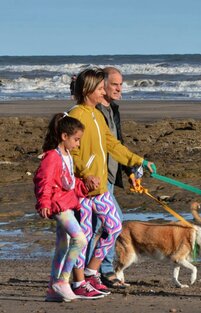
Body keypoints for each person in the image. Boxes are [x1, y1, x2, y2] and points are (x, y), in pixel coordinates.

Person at [68, 67, 157, 298]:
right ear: (88, 90)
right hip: (83, 189)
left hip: (100, 187)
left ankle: (91, 272)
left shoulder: (97, 115)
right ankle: (78, 283)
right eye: (99, 88)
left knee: (114, 225)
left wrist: (138, 161)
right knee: (83, 236)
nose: (103, 92)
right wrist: (85, 173)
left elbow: (112, 145)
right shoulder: (76, 115)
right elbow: (72, 151)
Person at [33, 113, 89, 302]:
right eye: (76, 140)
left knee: (62, 248)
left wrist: (85, 187)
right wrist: (44, 202)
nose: (78, 144)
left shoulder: (67, 156)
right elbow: (44, 180)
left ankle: (52, 290)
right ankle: (63, 281)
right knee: (80, 239)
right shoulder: (52, 157)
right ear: (64, 136)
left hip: (67, 203)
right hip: (59, 206)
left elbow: (69, 183)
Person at [88, 67, 131, 288]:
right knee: (108, 223)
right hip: (97, 176)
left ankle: (95, 271)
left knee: (103, 225)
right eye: (115, 84)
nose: (119, 88)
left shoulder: (113, 108)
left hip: (111, 175)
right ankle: (96, 271)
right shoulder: (93, 112)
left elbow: (117, 143)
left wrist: (131, 170)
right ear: (102, 85)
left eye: (121, 84)